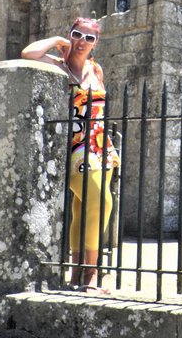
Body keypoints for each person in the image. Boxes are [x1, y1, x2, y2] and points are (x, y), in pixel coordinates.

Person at [21, 17, 119, 293]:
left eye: (90, 38)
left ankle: (76, 273)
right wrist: (56, 41)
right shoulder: (59, 67)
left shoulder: (96, 69)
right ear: (70, 35)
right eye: (78, 35)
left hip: (102, 146)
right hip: (76, 147)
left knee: (83, 209)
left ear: (96, 43)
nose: (82, 41)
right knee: (102, 203)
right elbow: (28, 54)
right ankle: (91, 274)